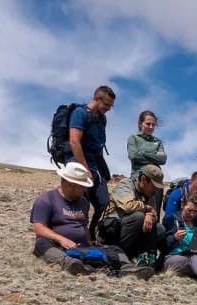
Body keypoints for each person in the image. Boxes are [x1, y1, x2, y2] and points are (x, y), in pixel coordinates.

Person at [29, 162, 151, 279]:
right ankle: (71, 264)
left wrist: (89, 240)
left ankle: (126, 268)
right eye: (82, 186)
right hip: (58, 246)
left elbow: (83, 225)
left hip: (81, 246)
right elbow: (38, 228)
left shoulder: (83, 201)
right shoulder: (47, 198)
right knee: (41, 243)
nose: (84, 190)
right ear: (70, 184)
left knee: (114, 249)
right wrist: (62, 239)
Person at [66, 85, 116, 241]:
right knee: (82, 203)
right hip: (78, 163)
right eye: (106, 104)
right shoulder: (80, 113)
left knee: (104, 203)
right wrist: (84, 169)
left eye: (110, 105)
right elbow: (74, 141)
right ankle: (78, 236)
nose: (108, 109)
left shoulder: (102, 118)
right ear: (96, 98)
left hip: (96, 166)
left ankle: (91, 232)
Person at [98, 164, 165, 261]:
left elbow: (154, 213)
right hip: (111, 233)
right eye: (154, 185)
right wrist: (146, 209)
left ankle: (138, 258)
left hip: (130, 235)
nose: (155, 189)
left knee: (159, 229)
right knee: (138, 217)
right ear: (143, 179)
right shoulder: (125, 185)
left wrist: (149, 215)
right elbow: (128, 206)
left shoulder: (150, 194)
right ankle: (117, 256)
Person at [127, 111, 167, 213]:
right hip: (138, 178)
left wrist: (143, 153)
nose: (151, 127)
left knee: (154, 212)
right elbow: (134, 156)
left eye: (153, 124)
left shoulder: (158, 142)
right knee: (138, 211)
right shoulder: (133, 138)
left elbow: (163, 159)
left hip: (156, 180)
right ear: (140, 124)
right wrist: (154, 154)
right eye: (148, 124)